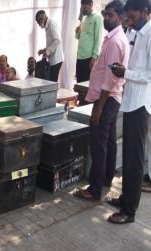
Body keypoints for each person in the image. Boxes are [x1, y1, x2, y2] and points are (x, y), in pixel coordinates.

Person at [73, 0, 130, 202]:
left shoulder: (115, 41)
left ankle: (94, 190)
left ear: (121, 18)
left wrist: (99, 107)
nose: (106, 18)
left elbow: (110, 78)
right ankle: (105, 180)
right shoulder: (115, 37)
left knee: (98, 144)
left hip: (105, 98)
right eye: (105, 14)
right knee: (109, 141)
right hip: (111, 98)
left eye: (111, 15)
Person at [106, 0, 151, 224]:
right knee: (129, 156)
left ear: (144, 12)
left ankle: (129, 211)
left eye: (131, 16)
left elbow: (149, 75)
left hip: (141, 104)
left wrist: (127, 73)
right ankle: (125, 198)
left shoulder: (150, 34)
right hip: (130, 100)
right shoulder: (135, 32)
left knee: (134, 159)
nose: (128, 20)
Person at [75, 0, 104, 83]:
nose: (84, 8)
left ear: (91, 4)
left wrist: (94, 57)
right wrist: (77, 31)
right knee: (79, 83)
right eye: (83, 6)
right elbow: (78, 37)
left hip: (89, 58)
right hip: (80, 56)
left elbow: (98, 38)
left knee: (87, 84)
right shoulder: (84, 18)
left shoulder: (97, 17)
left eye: (86, 6)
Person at [36, 10, 65, 82]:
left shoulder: (51, 23)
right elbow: (51, 42)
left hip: (56, 59)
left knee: (52, 82)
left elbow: (57, 40)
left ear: (43, 17)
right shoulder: (47, 26)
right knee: (51, 81)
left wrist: (47, 51)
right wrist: (44, 50)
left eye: (39, 22)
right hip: (53, 59)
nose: (39, 25)